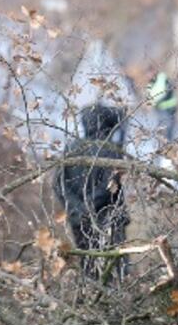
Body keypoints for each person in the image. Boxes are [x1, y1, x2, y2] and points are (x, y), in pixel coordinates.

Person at [55, 104, 129, 280]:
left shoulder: (71, 148)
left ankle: (92, 297)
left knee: (88, 263)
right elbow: (110, 185)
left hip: (78, 218)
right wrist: (89, 205)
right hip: (107, 217)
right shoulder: (111, 150)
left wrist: (77, 207)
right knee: (114, 265)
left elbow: (59, 186)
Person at [146, 71, 178, 140]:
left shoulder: (162, 79)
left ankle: (167, 144)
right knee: (162, 126)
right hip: (160, 108)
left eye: (149, 73)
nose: (148, 75)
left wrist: (155, 103)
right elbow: (149, 96)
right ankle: (163, 143)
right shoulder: (151, 83)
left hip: (168, 107)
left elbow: (165, 93)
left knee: (168, 127)